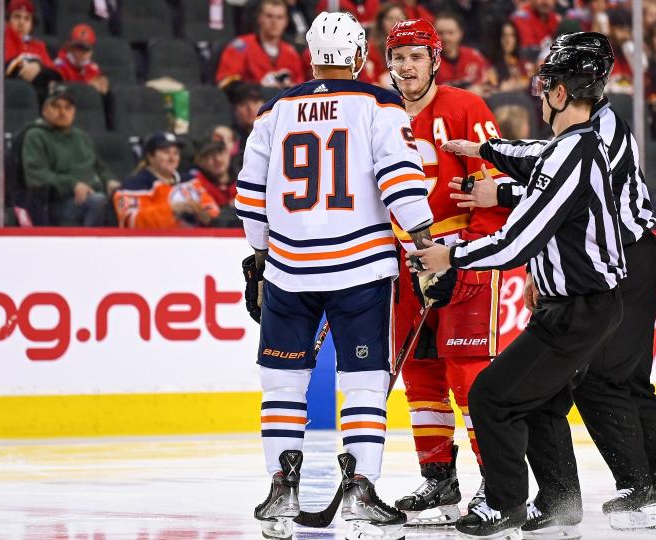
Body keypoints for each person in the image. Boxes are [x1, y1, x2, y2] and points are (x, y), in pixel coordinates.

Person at [446, 31, 656, 533]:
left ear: (568, 86)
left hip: (621, 261)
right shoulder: (593, 126)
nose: (544, 89)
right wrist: (489, 156)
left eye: (551, 77)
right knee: (600, 380)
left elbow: (550, 181)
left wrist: (493, 181)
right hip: (612, 261)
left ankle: (641, 492)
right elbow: (547, 173)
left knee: (601, 379)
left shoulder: (591, 134)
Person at [411, 43, 628, 540]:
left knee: (492, 395)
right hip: (578, 307)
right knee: (540, 401)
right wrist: (482, 150)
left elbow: (517, 239)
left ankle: (504, 505)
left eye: (544, 88)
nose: (539, 99)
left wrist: (452, 256)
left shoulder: (573, 153)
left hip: (578, 311)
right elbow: (531, 156)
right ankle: (559, 505)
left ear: (558, 92)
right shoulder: (578, 146)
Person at [235, 12, 437, 539]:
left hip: (288, 269)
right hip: (361, 268)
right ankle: (361, 490)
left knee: (282, 384)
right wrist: (424, 242)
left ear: (310, 54)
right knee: (364, 384)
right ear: (359, 55)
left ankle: (282, 488)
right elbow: (399, 180)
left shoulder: (274, 109)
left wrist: (261, 257)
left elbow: (249, 196)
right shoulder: (378, 103)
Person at [383, 18, 513, 526]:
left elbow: (494, 186)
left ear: (436, 59)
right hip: (402, 261)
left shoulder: (466, 108)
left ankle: (497, 485)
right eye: (398, 57)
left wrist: (470, 254)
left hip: (462, 253)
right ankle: (439, 479)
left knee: (468, 373)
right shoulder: (380, 113)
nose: (407, 66)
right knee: (420, 372)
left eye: (417, 56)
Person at [20, 86, 112, 226]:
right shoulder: (35, 136)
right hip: (58, 202)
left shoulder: (82, 136)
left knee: (124, 202)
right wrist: (73, 185)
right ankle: (90, 245)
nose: (62, 112)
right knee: (98, 202)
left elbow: (99, 167)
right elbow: (37, 175)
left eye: (68, 107)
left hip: (92, 193)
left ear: (74, 112)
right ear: (44, 110)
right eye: (56, 106)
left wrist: (111, 181)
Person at [113, 132, 219, 229]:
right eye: (166, 152)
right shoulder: (133, 185)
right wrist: (172, 209)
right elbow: (130, 222)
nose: (172, 158)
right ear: (150, 157)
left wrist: (204, 215)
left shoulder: (190, 181)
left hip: (197, 243)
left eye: (176, 153)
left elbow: (213, 211)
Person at [215, 0, 304, 91]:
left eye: (279, 17)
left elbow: (300, 86)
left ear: (286, 21)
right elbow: (226, 82)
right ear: (259, 18)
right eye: (269, 16)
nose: (274, 22)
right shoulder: (241, 46)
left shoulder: (291, 52)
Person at [0, 0, 58, 91]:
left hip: (34, 93)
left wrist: (38, 66)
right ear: (8, 20)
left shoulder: (38, 46)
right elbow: (4, 62)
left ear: (32, 25)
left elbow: (54, 72)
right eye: (17, 17)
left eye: (27, 18)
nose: (21, 23)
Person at [433, 12, 488, 90]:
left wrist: (481, 88)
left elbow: (489, 82)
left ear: (460, 34)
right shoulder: (428, 62)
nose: (445, 38)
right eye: (440, 33)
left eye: (450, 33)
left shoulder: (474, 55)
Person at [191, 139, 238, 225]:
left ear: (228, 154)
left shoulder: (245, 181)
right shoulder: (194, 188)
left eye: (220, 152)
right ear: (200, 161)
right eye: (210, 155)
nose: (217, 159)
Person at [53, 23, 108, 94]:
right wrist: (87, 86)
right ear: (70, 48)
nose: (83, 53)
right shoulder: (59, 66)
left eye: (86, 49)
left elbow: (102, 89)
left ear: (91, 52)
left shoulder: (92, 68)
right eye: (79, 48)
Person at [485, 20, 534, 93]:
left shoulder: (524, 64)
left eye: (511, 35)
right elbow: (488, 91)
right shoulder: (489, 65)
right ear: (498, 38)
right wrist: (500, 89)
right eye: (504, 35)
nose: (508, 40)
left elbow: (537, 91)